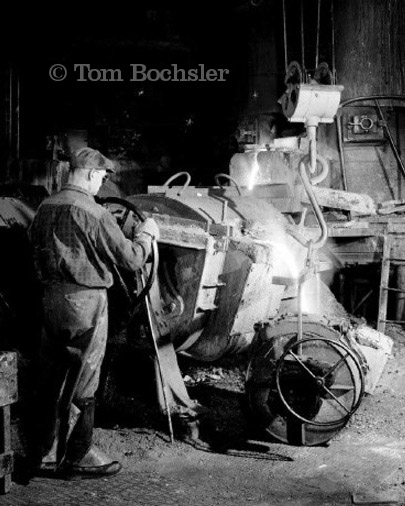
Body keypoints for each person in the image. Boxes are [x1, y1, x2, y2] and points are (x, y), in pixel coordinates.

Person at [28, 147, 159, 478]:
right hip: (85, 302)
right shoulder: (95, 212)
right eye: (101, 176)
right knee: (84, 378)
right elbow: (130, 259)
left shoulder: (45, 206)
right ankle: (79, 455)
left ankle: (44, 453)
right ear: (88, 173)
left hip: (50, 299)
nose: (102, 183)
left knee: (53, 376)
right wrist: (146, 236)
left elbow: (32, 243)